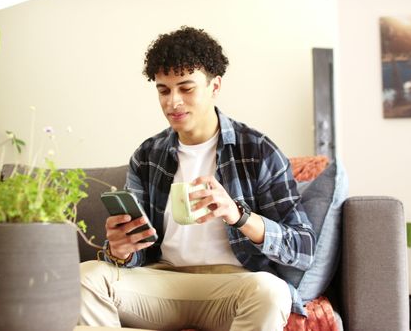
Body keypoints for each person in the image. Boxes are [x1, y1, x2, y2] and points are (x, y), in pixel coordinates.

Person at [79, 26, 316, 331]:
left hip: (233, 285)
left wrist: (238, 215)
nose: (172, 102)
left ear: (215, 86)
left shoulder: (257, 150)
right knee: (86, 278)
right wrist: (121, 251)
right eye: (163, 90)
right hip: (163, 281)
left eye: (186, 88)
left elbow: (303, 247)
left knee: (271, 293)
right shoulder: (148, 155)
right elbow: (139, 255)